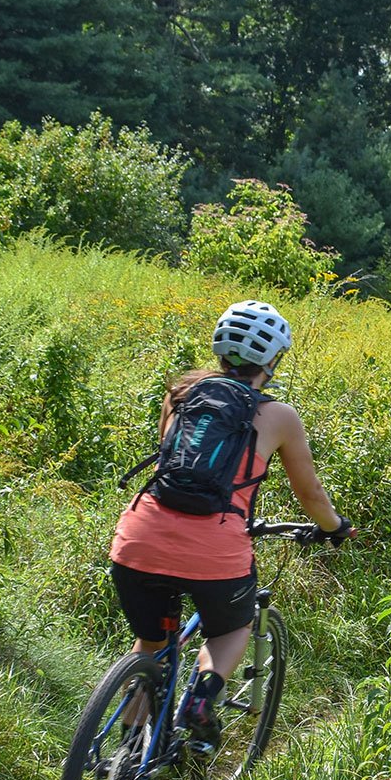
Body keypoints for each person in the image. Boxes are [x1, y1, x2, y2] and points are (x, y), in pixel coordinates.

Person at [108, 300, 350, 755]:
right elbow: (311, 495)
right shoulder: (279, 416)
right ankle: (201, 701)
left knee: (149, 644)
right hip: (215, 545)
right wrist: (335, 527)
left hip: (140, 535)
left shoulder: (182, 393)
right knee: (229, 629)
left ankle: (123, 754)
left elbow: (173, 465)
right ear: (273, 360)